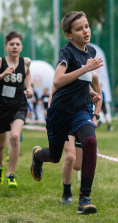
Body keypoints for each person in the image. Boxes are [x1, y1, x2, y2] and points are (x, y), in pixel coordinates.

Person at [30, 11, 103, 214]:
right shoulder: (67, 52)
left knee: (90, 142)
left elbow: (82, 80)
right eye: (79, 29)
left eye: (86, 26)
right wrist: (85, 68)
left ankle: (84, 198)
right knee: (54, 156)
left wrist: (90, 92)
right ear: (69, 35)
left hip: (81, 110)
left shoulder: (91, 51)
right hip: (60, 111)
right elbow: (58, 81)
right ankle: (37, 156)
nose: (85, 31)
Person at [0, 30, 33, 188]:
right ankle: (0, 164)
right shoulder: (0, 62)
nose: (15, 47)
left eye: (18, 44)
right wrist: (2, 75)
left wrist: (29, 87)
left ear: (21, 47)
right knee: (1, 145)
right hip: (2, 106)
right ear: (6, 47)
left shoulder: (26, 62)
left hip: (19, 104)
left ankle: (11, 174)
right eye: (12, 44)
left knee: (15, 137)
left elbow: (28, 74)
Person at [57, 71, 102, 205]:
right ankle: (66, 193)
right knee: (70, 157)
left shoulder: (93, 75)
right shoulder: (65, 72)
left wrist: (95, 117)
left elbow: (99, 97)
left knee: (77, 166)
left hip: (82, 120)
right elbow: (54, 92)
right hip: (65, 119)